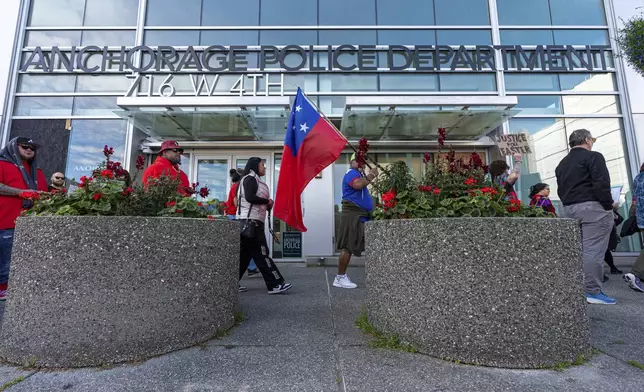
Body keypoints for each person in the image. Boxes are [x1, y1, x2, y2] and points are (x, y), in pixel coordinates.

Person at [555, 129, 616, 305]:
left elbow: (560, 188)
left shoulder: (562, 163)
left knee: (578, 250)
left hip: (569, 209)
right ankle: (592, 291)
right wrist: (607, 205)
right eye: (592, 140)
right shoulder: (593, 156)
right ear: (587, 140)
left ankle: (577, 288)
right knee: (593, 251)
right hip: (593, 208)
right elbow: (601, 182)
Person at [0, 137, 48, 301]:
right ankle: (2, 289)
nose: (29, 150)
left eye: (32, 148)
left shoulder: (37, 171)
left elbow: (42, 193)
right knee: (6, 258)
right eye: (25, 146)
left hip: (30, 223)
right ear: (14, 147)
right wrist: (20, 192)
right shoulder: (2, 164)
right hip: (5, 221)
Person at [237, 157, 291, 294]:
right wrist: (267, 201)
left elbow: (250, 200)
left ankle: (229, 283)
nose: (264, 167)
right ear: (255, 165)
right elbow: (250, 197)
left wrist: (265, 204)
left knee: (244, 257)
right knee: (262, 254)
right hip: (252, 223)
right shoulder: (250, 179)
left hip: (248, 223)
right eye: (262, 165)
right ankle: (275, 284)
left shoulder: (251, 179)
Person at [334, 153, 378, 289]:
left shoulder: (359, 175)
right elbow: (357, 185)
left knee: (366, 244)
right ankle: (340, 277)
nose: (361, 164)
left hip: (361, 215)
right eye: (358, 162)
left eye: (363, 162)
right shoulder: (351, 173)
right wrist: (371, 175)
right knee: (348, 246)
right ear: (351, 162)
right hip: (352, 215)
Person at [226, 168, 258, 276]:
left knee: (246, 243)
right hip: (235, 217)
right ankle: (249, 267)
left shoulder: (234, 186)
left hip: (233, 216)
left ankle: (251, 267)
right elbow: (236, 204)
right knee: (245, 243)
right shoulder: (237, 186)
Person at [623, 162, 644, 292]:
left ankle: (638, 275)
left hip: (641, 217)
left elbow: (635, 199)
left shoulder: (638, 177)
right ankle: (635, 273)